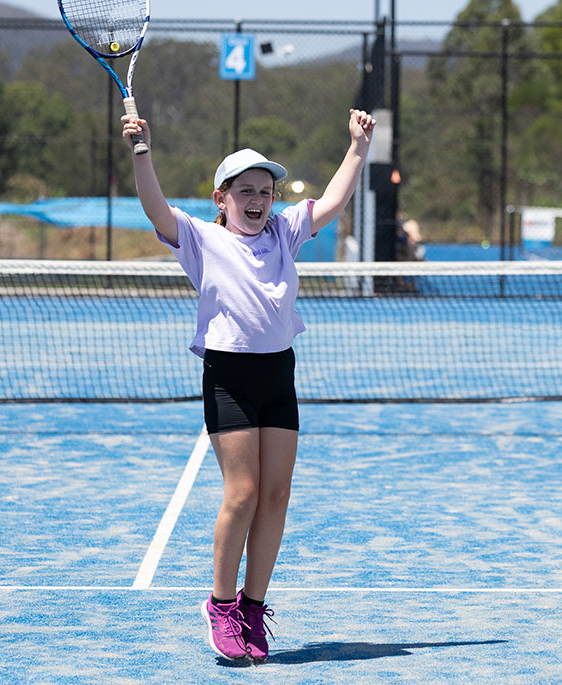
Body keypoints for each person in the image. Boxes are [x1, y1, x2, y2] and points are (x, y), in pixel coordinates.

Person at [122, 109, 376, 662]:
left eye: (267, 190)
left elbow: (331, 203)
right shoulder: (199, 240)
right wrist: (142, 152)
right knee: (243, 494)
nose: (259, 199)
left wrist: (357, 147)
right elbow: (156, 209)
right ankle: (220, 604)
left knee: (277, 497)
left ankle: (254, 606)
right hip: (229, 376)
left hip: (278, 373)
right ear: (222, 198)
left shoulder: (285, 232)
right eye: (246, 191)